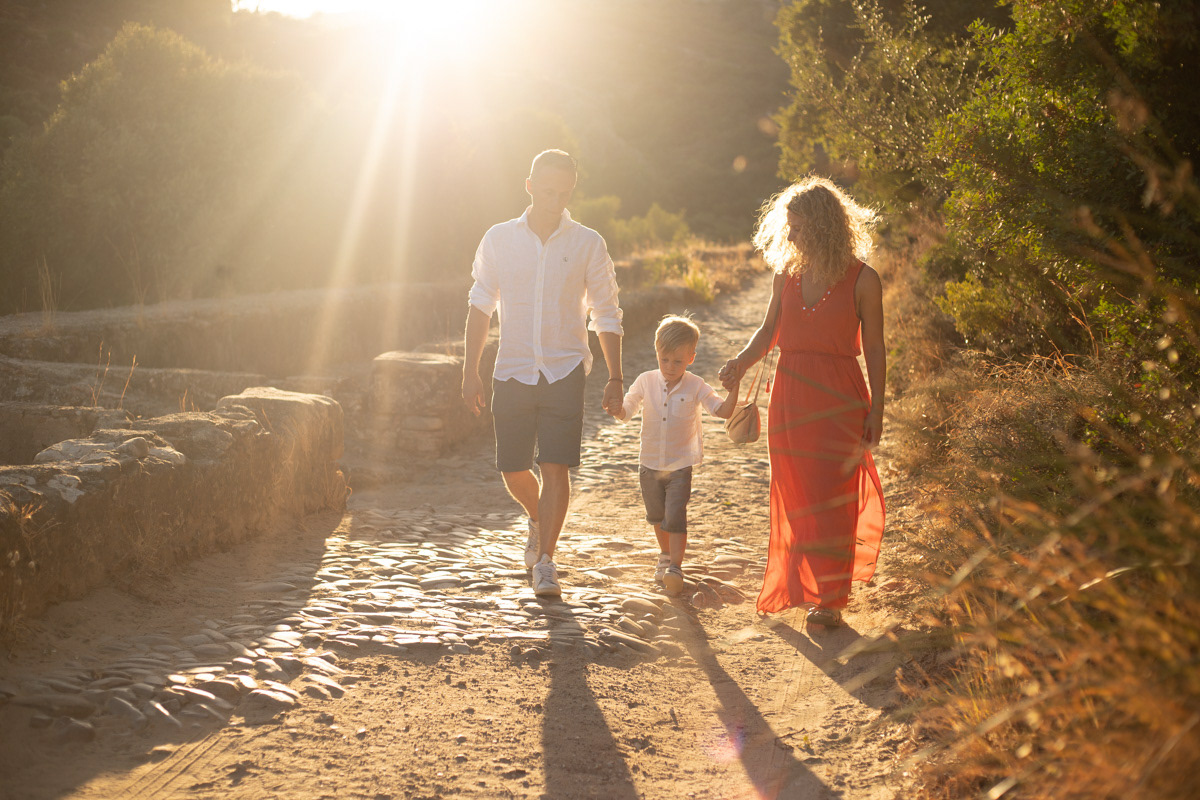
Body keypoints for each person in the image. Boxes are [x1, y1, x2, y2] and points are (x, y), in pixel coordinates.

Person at [719, 176, 886, 627]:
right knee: (797, 495)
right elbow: (768, 331)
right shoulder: (786, 275)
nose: (790, 236)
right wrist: (740, 362)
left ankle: (828, 598)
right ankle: (807, 586)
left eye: (798, 227)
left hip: (840, 398)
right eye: (788, 227)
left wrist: (878, 408)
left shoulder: (863, 279)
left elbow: (875, 348)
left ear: (824, 226)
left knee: (833, 495)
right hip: (790, 397)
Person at [462, 149, 624, 598]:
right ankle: (537, 518)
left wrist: (615, 376)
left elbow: (606, 312)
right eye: (547, 191)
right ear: (529, 185)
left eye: (564, 193)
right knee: (513, 469)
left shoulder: (588, 242)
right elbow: (480, 304)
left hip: (564, 368)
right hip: (512, 368)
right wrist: (470, 371)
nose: (555, 200)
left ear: (572, 191)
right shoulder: (498, 238)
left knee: (555, 466)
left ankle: (547, 560)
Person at [612, 315, 739, 595]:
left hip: (680, 465)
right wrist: (616, 408)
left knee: (675, 516)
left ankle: (675, 567)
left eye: (678, 361)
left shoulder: (696, 385)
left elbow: (722, 410)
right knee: (657, 517)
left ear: (691, 358)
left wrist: (735, 389)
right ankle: (665, 555)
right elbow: (626, 410)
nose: (670, 367)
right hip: (649, 464)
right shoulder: (645, 381)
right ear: (657, 352)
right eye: (665, 359)